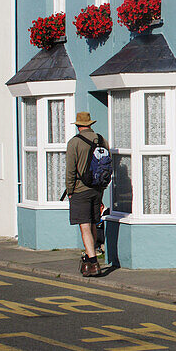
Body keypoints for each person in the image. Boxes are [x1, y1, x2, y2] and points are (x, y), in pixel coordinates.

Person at [65, 111, 106, 277]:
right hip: (98, 189)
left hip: (80, 190)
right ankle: (91, 255)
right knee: (94, 222)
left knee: (84, 226)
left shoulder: (74, 143)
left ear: (77, 125)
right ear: (90, 124)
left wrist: (70, 191)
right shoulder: (102, 140)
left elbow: (70, 170)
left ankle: (94, 262)